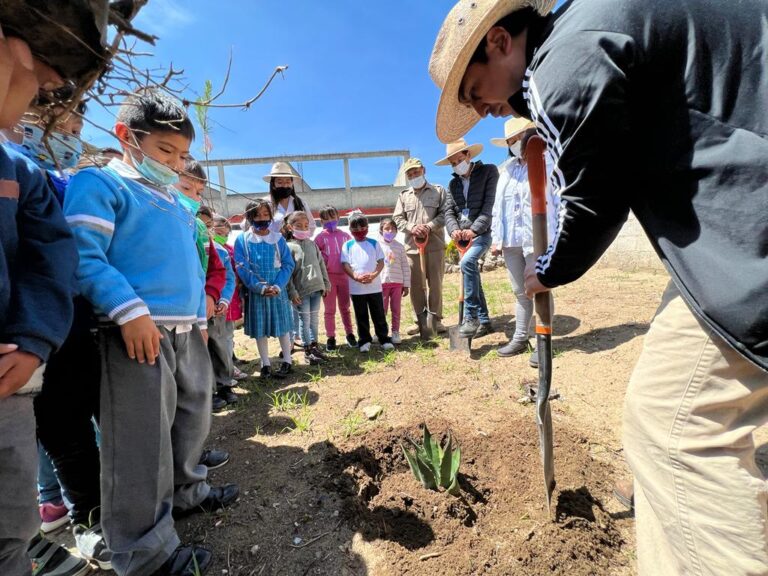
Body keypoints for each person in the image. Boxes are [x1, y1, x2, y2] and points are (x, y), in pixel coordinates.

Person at [429, 1, 768, 574]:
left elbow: (592, 201)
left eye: (473, 92)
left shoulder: (569, 58)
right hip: (737, 227)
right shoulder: (594, 24)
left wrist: (549, 269)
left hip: (748, 231)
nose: (483, 112)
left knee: (672, 428)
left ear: (498, 42)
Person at [64, 88, 239, 576]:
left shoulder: (173, 202)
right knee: (140, 444)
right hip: (136, 333)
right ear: (126, 136)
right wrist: (127, 310)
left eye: (182, 155)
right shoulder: (101, 184)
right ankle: (144, 553)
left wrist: (201, 322)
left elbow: (190, 266)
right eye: (165, 151)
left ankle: (188, 493)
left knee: (190, 421)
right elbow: (84, 255)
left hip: (187, 331)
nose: (175, 163)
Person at [0, 15, 92, 576]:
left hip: (31, 349)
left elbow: (47, 254)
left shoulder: (28, 176)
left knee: (55, 430)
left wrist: (35, 336)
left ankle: (45, 528)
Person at [490, 118, 558, 367]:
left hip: (536, 237)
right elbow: (499, 207)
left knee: (540, 287)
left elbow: (556, 199)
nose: (514, 144)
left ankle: (542, 340)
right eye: (510, 141)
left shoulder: (547, 161)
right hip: (512, 240)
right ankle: (520, 336)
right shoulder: (506, 169)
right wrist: (497, 238)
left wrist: (557, 234)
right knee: (520, 291)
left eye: (517, 138)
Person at [438, 138, 498, 338]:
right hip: (462, 237)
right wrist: (454, 230)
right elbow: (448, 212)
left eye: (458, 160)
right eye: (453, 163)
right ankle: (485, 321)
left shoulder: (489, 172)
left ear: (468, 155)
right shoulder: (453, 183)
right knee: (470, 269)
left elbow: (489, 207)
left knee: (467, 263)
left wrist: (474, 230)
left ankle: (470, 316)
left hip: (482, 233)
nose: (456, 166)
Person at [234, 200, 295, 380]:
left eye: (265, 215)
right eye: (257, 215)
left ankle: (287, 360)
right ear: (249, 217)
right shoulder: (243, 240)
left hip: (278, 290)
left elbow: (287, 264)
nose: (262, 218)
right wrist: (259, 287)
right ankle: (265, 363)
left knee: (282, 325)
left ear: (270, 216)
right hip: (257, 293)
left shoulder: (278, 239)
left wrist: (277, 286)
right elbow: (241, 265)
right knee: (260, 329)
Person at [392, 157, 448, 336]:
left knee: (436, 284)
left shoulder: (438, 191)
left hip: (435, 245)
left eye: (416, 171)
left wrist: (429, 227)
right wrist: (412, 227)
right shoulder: (403, 196)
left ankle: (436, 321)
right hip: (412, 248)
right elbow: (398, 218)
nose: (414, 175)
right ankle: (420, 321)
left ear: (423, 170)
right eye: (410, 173)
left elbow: (446, 213)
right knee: (416, 286)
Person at [198, 206, 238, 407]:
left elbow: (228, 278)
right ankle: (209, 390)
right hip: (195, 311)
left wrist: (223, 300)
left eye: (207, 225)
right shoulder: (188, 248)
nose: (204, 229)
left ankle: (225, 385)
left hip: (216, 310)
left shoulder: (220, 251)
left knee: (221, 348)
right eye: (200, 223)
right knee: (201, 351)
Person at [340, 213, 394, 353]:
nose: (359, 230)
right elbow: (345, 265)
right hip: (356, 289)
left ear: (367, 227)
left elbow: (381, 262)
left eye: (362, 227)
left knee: (379, 314)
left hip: (375, 287)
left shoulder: (374, 243)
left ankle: (384, 339)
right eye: (355, 228)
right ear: (350, 229)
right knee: (361, 315)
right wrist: (355, 276)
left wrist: (374, 275)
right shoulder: (347, 245)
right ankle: (364, 340)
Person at [285, 211, 331, 365]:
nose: (303, 229)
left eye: (306, 226)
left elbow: (321, 264)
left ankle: (315, 346)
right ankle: (307, 350)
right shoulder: (288, 247)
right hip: (301, 293)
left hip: (316, 289)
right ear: (290, 227)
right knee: (304, 320)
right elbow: (287, 274)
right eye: (299, 226)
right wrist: (292, 291)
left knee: (314, 320)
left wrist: (325, 283)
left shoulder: (312, 244)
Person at [315, 205, 357, 350]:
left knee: (345, 307)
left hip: (345, 277)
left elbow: (354, 252)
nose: (330, 221)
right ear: (321, 222)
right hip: (328, 279)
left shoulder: (346, 236)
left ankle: (350, 333)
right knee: (329, 309)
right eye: (326, 219)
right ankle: (330, 337)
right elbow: (315, 256)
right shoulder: (320, 237)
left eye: (332, 218)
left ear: (338, 218)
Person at [378, 218, 410, 344]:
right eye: (386, 228)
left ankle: (395, 332)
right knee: (382, 309)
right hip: (382, 284)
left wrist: (406, 284)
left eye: (393, 228)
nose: (390, 231)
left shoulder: (400, 247)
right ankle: (380, 331)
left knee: (396, 309)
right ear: (381, 230)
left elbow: (405, 267)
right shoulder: (377, 246)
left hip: (397, 283)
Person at [263, 161, 316, 236]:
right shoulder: (264, 203)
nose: (284, 186)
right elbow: (250, 226)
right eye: (280, 182)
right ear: (273, 185)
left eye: (288, 182)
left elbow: (311, 226)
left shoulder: (300, 203)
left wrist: (301, 237)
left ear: (292, 184)